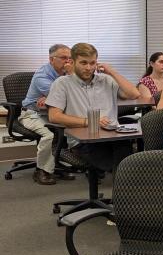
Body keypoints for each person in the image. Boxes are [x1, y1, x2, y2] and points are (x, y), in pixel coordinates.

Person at [47, 43, 140, 174]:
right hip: (85, 142)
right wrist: (90, 121)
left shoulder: (107, 80)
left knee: (131, 164)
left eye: (92, 63)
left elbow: (134, 94)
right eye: (83, 63)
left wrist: (112, 72)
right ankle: (122, 190)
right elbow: (54, 116)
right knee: (120, 168)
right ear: (72, 62)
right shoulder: (62, 83)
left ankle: (124, 189)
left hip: (113, 136)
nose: (89, 68)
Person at [18, 44, 73, 185]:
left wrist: (51, 97)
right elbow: (65, 96)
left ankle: (60, 164)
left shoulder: (66, 73)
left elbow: (77, 94)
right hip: (32, 113)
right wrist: (55, 95)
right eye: (63, 58)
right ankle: (42, 170)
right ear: (51, 59)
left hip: (51, 113)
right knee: (49, 135)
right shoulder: (42, 75)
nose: (68, 62)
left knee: (72, 128)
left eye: (70, 58)